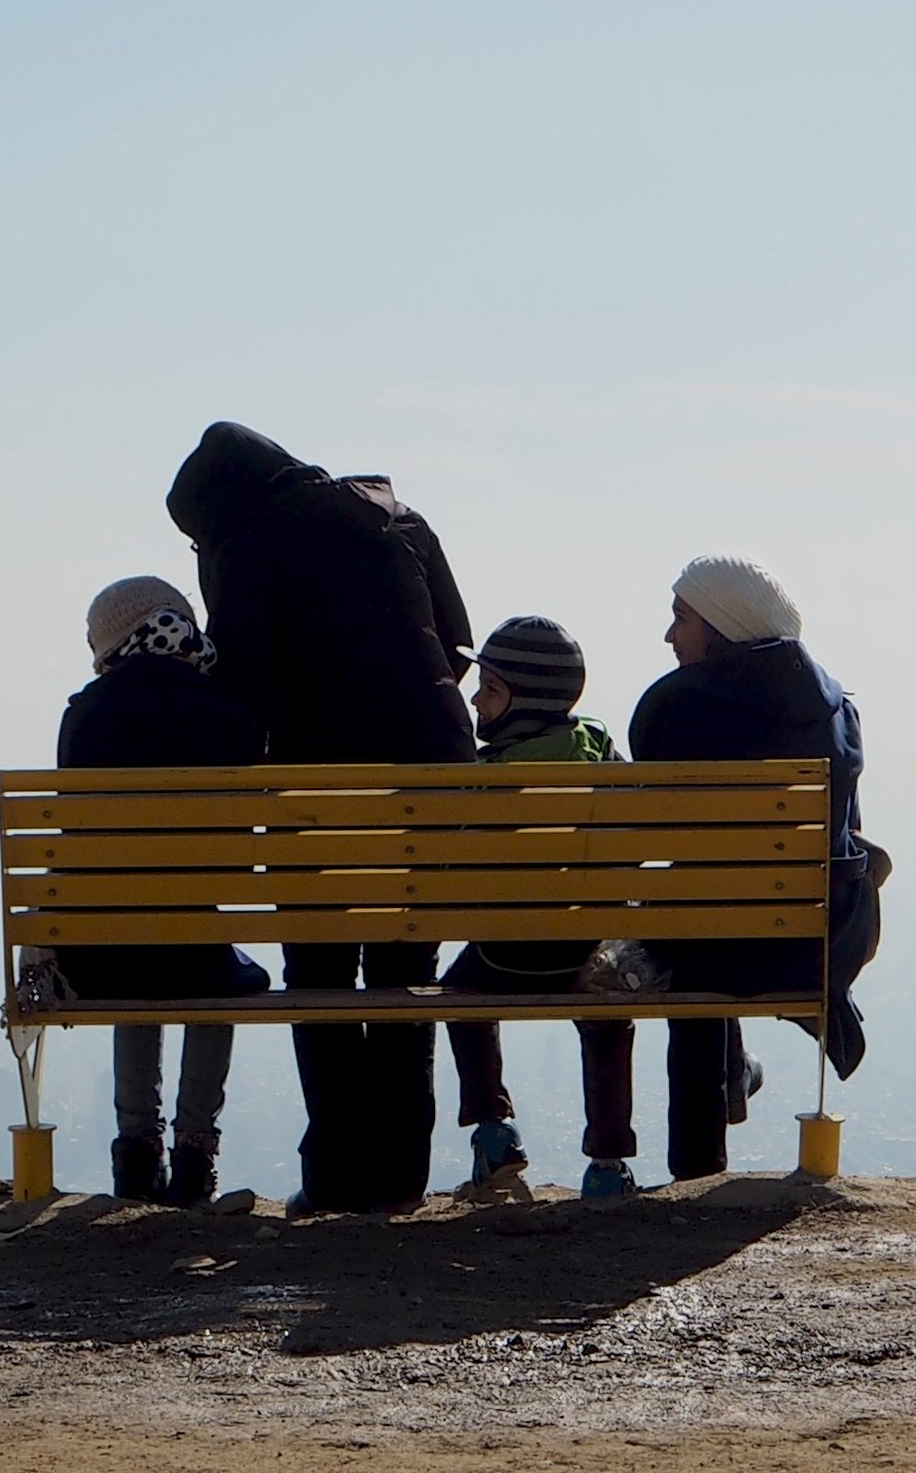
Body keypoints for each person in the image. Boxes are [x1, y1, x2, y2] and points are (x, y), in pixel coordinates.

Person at [166, 423, 476, 1217]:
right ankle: (401, 1177)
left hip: (320, 782)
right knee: (405, 970)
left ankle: (337, 1175)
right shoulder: (394, 516)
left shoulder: (248, 545)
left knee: (322, 969)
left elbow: (241, 682)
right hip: (434, 774)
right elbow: (458, 639)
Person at [628, 555, 881, 1181]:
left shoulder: (670, 706)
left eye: (680, 619)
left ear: (720, 624)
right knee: (721, 909)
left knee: (700, 923)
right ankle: (731, 1080)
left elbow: (655, 827)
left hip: (706, 949)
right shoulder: (838, 711)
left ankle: (697, 1170)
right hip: (808, 944)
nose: (669, 637)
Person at [54, 575, 271, 1207]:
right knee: (210, 965)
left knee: (136, 954)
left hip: (104, 955)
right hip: (196, 950)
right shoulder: (229, 709)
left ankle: (135, 1150)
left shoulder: (83, 714)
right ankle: (196, 1152)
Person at [439, 616, 639, 1199]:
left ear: (525, 702)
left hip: (505, 957)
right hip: (588, 954)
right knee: (607, 1018)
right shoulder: (598, 748)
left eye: (491, 688)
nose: (476, 698)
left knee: (460, 997)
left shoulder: (487, 777)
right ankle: (607, 1165)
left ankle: (494, 1132)